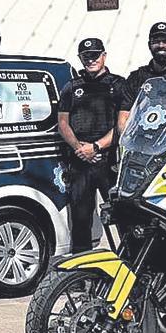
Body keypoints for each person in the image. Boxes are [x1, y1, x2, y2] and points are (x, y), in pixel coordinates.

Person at [57, 38, 133, 253]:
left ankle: (133, 261)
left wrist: (97, 147)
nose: (90, 60)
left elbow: (124, 124)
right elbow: (63, 123)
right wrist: (79, 149)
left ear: (104, 56)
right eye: (86, 56)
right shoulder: (72, 87)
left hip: (109, 162)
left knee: (124, 216)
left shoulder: (119, 85)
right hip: (80, 162)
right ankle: (82, 266)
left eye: (95, 55)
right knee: (80, 220)